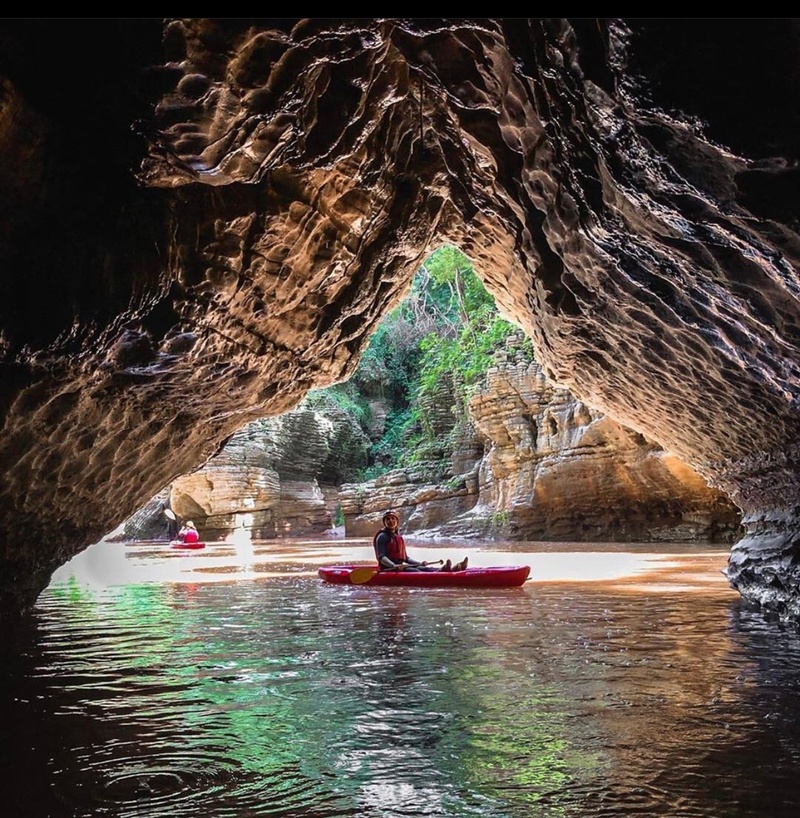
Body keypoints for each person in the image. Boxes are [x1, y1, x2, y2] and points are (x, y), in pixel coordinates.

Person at [373, 510, 468, 572]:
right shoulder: (382, 537)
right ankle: (443, 572)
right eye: (388, 519)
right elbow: (381, 557)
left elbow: (406, 558)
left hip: (399, 567)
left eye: (393, 518)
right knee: (417, 571)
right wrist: (394, 565)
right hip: (389, 569)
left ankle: (455, 569)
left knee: (423, 567)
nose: (390, 521)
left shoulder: (398, 536)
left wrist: (418, 563)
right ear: (384, 522)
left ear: (397, 521)